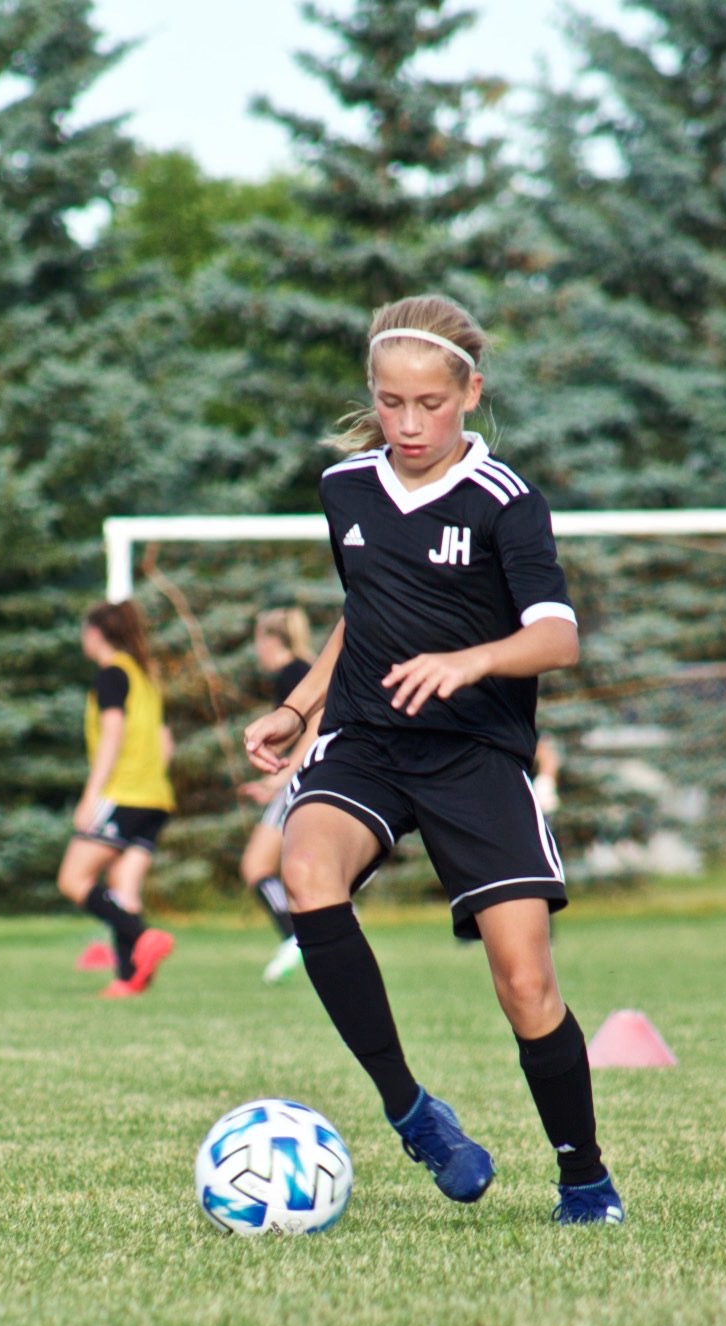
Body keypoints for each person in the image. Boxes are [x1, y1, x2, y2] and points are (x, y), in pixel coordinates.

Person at [241, 293, 622, 1226]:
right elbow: (361, 616)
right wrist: (298, 709)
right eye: (391, 403)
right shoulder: (347, 491)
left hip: (474, 753)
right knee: (303, 868)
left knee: (525, 981)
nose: (409, 424)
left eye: (431, 404)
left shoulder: (505, 502)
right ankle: (412, 1112)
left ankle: (584, 1178)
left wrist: (470, 661)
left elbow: (558, 637)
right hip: (366, 741)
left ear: (471, 393)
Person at [56, 601, 177, 998]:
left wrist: (92, 795)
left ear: (94, 634)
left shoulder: (111, 675)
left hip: (123, 793)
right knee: (124, 885)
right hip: (155, 796)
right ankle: (129, 980)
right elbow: (165, 741)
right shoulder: (144, 676)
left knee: (73, 880)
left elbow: (112, 736)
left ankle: (142, 937)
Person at [237, 607, 320, 984]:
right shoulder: (306, 668)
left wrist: (284, 775)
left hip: (304, 777)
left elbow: (317, 724)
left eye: (258, 641)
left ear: (270, 641)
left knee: (256, 866)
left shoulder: (294, 674)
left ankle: (296, 937)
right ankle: (310, 934)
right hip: (312, 775)